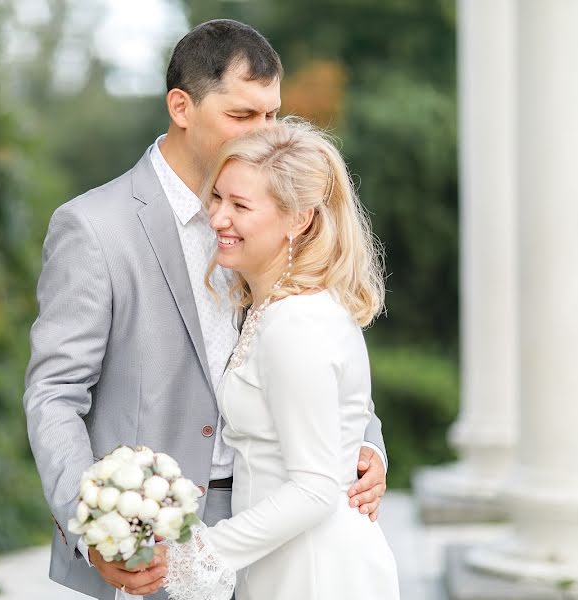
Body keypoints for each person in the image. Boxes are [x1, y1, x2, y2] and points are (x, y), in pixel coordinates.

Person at [24, 20, 389, 600]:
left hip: (282, 527)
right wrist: (91, 526)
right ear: (181, 107)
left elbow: (320, 336)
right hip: (156, 542)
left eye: (273, 115)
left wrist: (365, 441)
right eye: (243, 117)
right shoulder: (94, 229)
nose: (265, 134)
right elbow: (55, 394)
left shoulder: (280, 215)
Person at [162, 118, 399, 600]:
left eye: (240, 205)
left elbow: (314, 488)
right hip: (282, 561)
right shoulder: (271, 309)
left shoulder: (297, 326)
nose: (218, 218)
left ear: (299, 219)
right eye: (217, 198)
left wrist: (201, 554)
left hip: (316, 571)